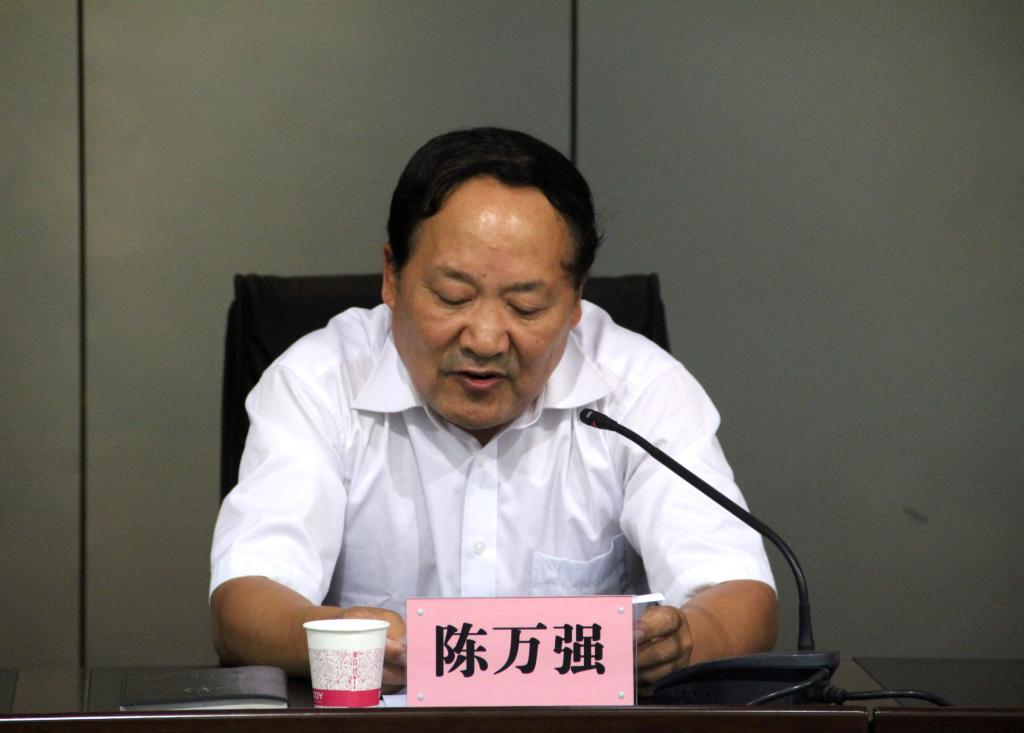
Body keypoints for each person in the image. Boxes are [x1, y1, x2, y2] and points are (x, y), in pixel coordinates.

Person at [210, 127, 777, 693]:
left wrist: (686, 641)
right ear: (392, 276)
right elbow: (243, 604)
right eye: (452, 297)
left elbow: (741, 594)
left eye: (525, 305)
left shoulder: (639, 390)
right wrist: (342, 640)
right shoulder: (317, 383)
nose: (484, 339)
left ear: (576, 299)